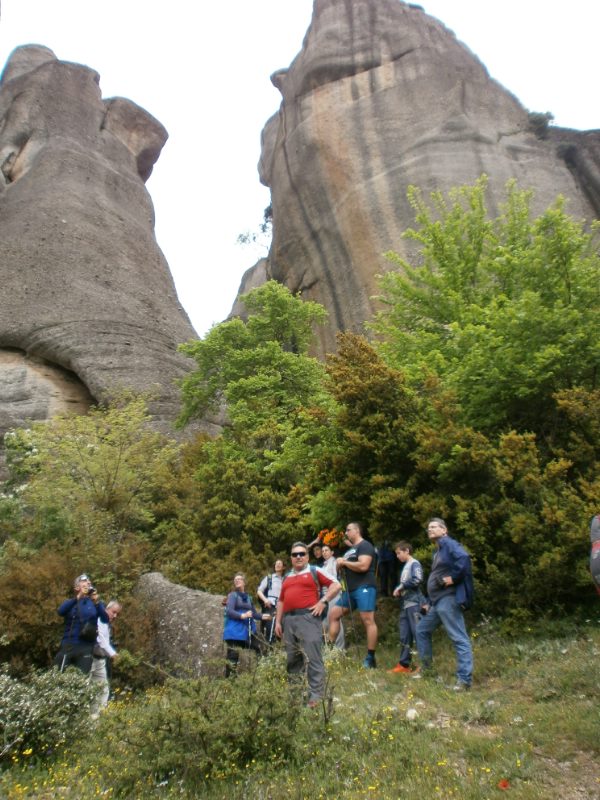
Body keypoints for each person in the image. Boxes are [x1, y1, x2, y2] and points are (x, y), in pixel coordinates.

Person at [274, 542, 340, 707]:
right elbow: (281, 600)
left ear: (307, 556)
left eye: (302, 554)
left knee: (313, 658)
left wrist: (323, 602)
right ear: (291, 557)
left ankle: (315, 699)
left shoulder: (314, 571)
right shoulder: (287, 576)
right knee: (292, 660)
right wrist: (278, 622)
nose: (298, 557)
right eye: (295, 554)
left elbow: (336, 585)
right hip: (288, 621)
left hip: (308, 618)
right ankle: (295, 698)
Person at [414, 518, 474, 691]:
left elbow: (463, 558)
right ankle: (428, 672)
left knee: (458, 637)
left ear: (444, 530)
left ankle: (464, 681)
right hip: (438, 602)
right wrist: (429, 602)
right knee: (422, 630)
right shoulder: (439, 551)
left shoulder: (448, 544)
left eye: (434, 527)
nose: (430, 530)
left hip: (448, 599)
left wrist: (454, 578)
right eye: (428, 528)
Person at [328, 521, 378, 668]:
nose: (346, 533)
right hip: (349, 590)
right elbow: (342, 568)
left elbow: (363, 566)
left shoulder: (365, 546)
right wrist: (339, 564)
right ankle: (329, 650)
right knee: (334, 614)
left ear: (357, 531)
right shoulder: (350, 550)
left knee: (367, 619)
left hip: (365, 587)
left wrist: (344, 562)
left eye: (348, 530)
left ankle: (370, 658)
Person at [54, 574, 109, 675]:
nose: (88, 583)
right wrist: (78, 597)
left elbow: (105, 619)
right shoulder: (71, 602)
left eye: (89, 581)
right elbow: (60, 611)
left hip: (86, 647)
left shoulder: (94, 603)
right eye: (84, 581)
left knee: (82, 679)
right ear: (77, 587)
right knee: (59, 675)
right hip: (69, 644)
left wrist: (97, 602)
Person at [223, 573, 269, 675]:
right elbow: (229, 611)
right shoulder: (232, 595)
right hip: (234, 631)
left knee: (259, 647)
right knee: (232, 659)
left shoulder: (248, 597)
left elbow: (254, 613)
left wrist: (263, 616)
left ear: (244, 582)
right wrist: (242, 615)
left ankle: (262, 674)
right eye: (236, 580)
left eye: (239, 579)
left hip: (245, 632)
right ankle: (229, 684)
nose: (237, 581)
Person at [388, 541, 423, 674]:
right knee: (404, 635)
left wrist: (402, 586)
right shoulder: (406, 566)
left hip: (414, 604)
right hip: (404, 604)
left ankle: (424, 664)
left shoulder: (414, 564)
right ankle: (404, 664)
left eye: (399, 553)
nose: (397, 556)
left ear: (407, 551)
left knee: (418, 633)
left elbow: (417, 579)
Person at [90, 599, 122, 715]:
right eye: (113, 612)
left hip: (100, 660)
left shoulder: (106, 623)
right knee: (89, 687)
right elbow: (101, 640)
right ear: (107, 609)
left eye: (117, 613)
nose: (115, 615)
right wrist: (112, 653)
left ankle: (96, 717)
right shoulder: (100, 619)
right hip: (91, 658)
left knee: (103, 689)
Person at [320, 544, 345, 650]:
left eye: (326, 550)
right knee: (325, 622)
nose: (324, 552)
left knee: (335, 619)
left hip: (334, 593)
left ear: (332, 552)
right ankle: (329, 648)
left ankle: (339, 649)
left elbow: (339, 570)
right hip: (325, 596)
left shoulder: (334, 562)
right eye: (323, 551)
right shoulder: (322, 566)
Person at [256, 559, 286, 642]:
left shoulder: (285, 579)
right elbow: (259, 591)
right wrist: (265, 600)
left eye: (280, 563)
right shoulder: (270, 578)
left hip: (281, 607)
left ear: (283, 567)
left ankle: (276, 648)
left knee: (280, 626)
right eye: (276, 564)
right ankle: (269, 647)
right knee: (270, 625)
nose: (278, 565)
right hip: (271, 604)